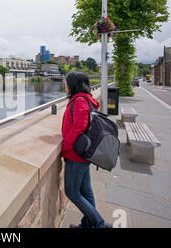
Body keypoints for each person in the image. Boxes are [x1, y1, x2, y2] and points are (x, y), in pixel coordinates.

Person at [61, 71, 110, 228]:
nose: (65, 84)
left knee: (73, 193)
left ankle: (100, 224)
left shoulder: (79, 101)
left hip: (76, 154)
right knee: (86, 191)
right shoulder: (84, 99)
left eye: (66, 82)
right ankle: (87, 225)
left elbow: (79, 126)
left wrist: (65, 146)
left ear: (73, 84)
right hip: (82, 153)